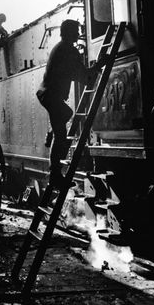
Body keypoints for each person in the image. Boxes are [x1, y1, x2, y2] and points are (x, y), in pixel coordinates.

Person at [36, 19, 108, 189]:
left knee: (66, 115)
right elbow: (84, 77)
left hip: (49, 94)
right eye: (76, 30)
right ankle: (55, 176)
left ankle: (51, 134)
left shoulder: (61, 48)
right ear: (69, 32)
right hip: (51, 95)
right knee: (61, 135)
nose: (78, 34)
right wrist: (99, 65)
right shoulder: (68, 50)